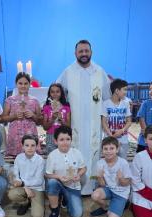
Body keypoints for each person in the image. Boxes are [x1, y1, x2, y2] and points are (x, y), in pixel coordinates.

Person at [57, 40, 111, 195]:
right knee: (76, 151)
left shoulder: (99, 71)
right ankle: (74, 186)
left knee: (94, 150)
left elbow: (106, 97)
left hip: (94, 122)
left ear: (91, 52)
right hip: (75, 122)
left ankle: (92, 186)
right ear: (75, 54)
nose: (84, 54)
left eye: (86, 51)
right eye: (80, 51)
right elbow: (57, 93)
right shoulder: (68, 72)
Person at [45, 125, 87, 217]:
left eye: (68, 139)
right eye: (61, 139)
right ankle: (55, 211)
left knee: (77, 214)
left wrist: (79, 174)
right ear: (56, 141)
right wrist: (59, 177)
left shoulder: (77, 153)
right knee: (52, 183)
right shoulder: (52, 155)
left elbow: (84, 168)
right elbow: (47, 174)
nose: (65, 142)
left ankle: (65, 199)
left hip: (73, 186)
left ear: (71, 140)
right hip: (59, 184)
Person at [90, 137, 132, 217]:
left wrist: (121, 178)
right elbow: (103, 185)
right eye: (105, 149)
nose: (108, 151)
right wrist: (100, 177)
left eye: (112, 148)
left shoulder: (123, 163)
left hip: (121, 192)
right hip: (109, 189)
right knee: (94, 195)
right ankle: (105, 207)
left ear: (117, 150)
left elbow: (127, 183)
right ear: (102, 150)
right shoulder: (100, 163)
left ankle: (124, 203)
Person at [1, 72, 42, 156]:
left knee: (31, 156)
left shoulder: (34, 100)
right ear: (16, 84)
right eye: (20, 83)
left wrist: (33, 115)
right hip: (15, 133)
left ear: (29, 84)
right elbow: (4, 118)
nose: (23, 86)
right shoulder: (10, 100)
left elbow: (40, 120)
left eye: (26, 83)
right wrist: (14, 116)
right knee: (15, 159)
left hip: (30, 132)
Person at [8, 134, 45, 217]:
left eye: (33, 145)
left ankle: (34, 201)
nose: (30, 148)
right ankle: (25, 203)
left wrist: (23, 184)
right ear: (22, 146)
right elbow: (16, 175)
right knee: (12, 194)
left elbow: (39, 181)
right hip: (23, 186)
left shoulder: (40, 160)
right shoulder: (18, 158)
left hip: (37, 188)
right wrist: (25, 187)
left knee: (37, 216)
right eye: (27, 145)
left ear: (36, 146)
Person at [101, 79, 132, 159]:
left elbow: (129, 121)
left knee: (122, 161)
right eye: (124, 89)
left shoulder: (126, 103)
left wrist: (122, 130)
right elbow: (103, 122)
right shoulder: (105, 104)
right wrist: (111, 135)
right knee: (109, 161)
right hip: (109, 139)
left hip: (123, 139)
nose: (126, 92)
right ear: (117, 91)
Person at [42, 83, 71, 154]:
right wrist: (52, 119)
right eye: (52, 92)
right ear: (49, 94)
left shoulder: (66, 107)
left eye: (57, 91)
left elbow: (68, 126)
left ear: (61, 93)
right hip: (51, 136)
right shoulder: (46, 107)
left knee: (64, 156)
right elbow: (45, 127)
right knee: (52, 157)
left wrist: (61, 119)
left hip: (63, 136)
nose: (55, 94)